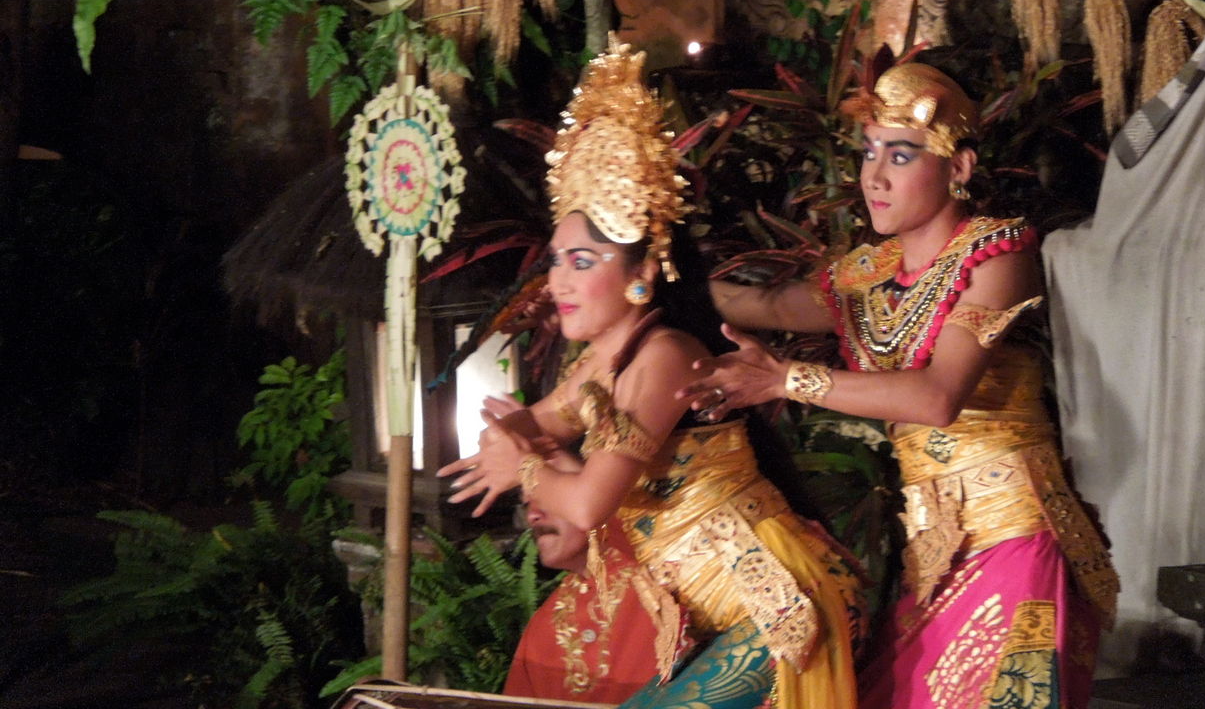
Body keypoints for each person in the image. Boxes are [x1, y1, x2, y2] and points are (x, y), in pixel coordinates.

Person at [440, 36, 863, 709]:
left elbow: (587, 504)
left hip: (778, 603)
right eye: (556, 261)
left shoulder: (664, 355)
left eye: (582, 262)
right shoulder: (599, 364)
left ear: (641, 273)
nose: (558, 282)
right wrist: (514, 438)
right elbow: (534, 422)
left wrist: (524, 464)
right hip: (727, 613)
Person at [684, 62, 1119, 709]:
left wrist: (785, 379)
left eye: (901, 155)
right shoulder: (867, 275)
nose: (874, 176)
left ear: (959, 167)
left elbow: (938, 397)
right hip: (934, 550)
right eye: (869, 153)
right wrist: (652, 276)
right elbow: (762, 306)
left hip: (1015, 535)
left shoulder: (998, 256)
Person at [503, 499, 689, 704]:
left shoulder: (667, 571)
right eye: (527, 505)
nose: (532, 516)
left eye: (546, 498)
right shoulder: (541, 626)